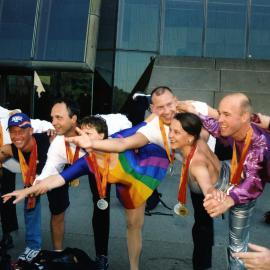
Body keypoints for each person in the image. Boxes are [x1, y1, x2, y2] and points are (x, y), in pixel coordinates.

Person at [64, 86, 216, 270]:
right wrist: (93, 143)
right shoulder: (152, 128)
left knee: (209, 220)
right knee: (201, 224)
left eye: (170, 104)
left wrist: (203, 119)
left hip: (214, 161)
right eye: (160, 107)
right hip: (185, 168)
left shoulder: (195, 107)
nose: (167, 111)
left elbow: (222, 122)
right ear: (152, 109)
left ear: (176, 100)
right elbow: (125, 141)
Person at [3, 115, 169, 270]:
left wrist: (167, 108)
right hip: (128, 187)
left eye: (88, 134)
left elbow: (147, 122)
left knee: (135, 225)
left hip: (145, 167)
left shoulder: (120, 137)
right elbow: (57, 179)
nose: (83, 138)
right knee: (133, 226)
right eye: (81, 134)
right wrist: (27, 191)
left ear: (102, 135)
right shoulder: (86, 162)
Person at [34, 97, 132, 270]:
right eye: (52, 118)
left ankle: (102, 256)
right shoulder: (58, 143)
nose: (53, 122)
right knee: (57, 200)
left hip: (100, 160)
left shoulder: (98, 125)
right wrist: (32, 188)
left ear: (74, 118)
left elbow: (125, 121)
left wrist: (126, 143)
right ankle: (59, 252)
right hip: (78, 165)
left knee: (101, 204)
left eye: (59, 117)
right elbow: (48, 173)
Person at [180, 93, 269, 269]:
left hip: (253, 179)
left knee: (237, 244)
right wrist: (193, 111)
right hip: (239, 171)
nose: (220, 119)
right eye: (220, 113)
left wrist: (229, 199)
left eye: (226, 114)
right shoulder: (234, 126)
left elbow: (254, 183)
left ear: (244, 117)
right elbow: (212, 124)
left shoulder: (260, 145)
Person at [0, 112, 53, 264]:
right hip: (34, 179)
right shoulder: (10, 148)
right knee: (30, 199)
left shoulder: (47, 140)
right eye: (13, 131)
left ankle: (59, 253)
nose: (17, 135)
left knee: (58, 209)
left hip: (57, 175)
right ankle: (33, 246)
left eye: (22, 130)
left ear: (31, 130)